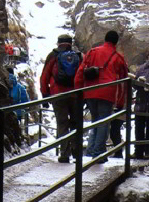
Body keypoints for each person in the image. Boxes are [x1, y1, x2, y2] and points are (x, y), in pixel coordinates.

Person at [74, 30, 128, 160]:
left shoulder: (92, 52)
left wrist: (79, 91)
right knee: (103, 122)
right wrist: (120, 102)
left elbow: (80, 72)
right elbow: (124, 82)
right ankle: (98, 153)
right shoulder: (118, 58)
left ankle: (91, 150)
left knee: (95, 121)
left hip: (90, 91)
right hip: (107, 93)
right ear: (116, 42)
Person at [40, 35, 82, 164]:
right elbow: (83, 75)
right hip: (75, 94)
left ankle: (64, 154)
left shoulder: (53, 55)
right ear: (70, 43)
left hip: (58, 94)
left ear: (58, 43)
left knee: (62, 123)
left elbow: (44, 76)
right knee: (76, 123)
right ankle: (77, 152)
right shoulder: (79, 55)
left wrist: (45, 95)